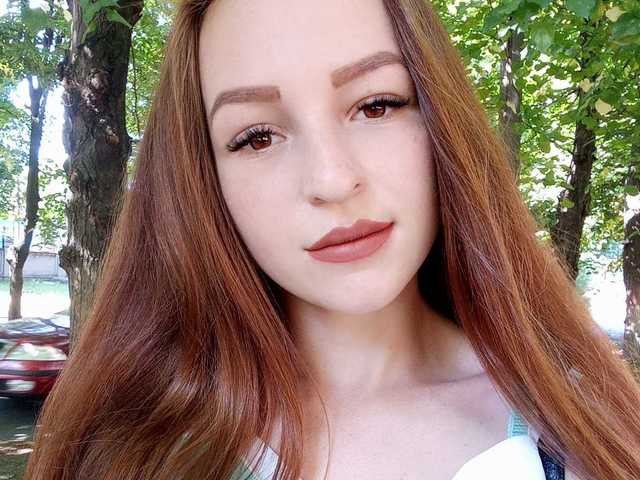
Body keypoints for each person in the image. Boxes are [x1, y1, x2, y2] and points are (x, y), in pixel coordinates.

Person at [24, 1, 640, 479]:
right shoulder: (130, 449)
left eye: (376, 105)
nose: (331, 180)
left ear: (440, 119)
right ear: (204, 180)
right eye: (257, 137)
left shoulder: (581, 434)